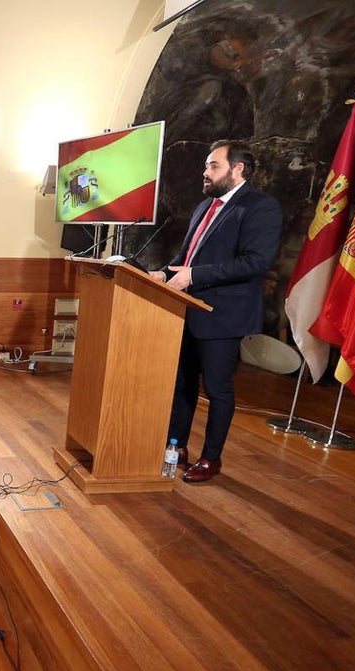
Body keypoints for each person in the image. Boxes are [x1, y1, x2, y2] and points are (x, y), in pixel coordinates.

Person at [150, 140, 283, 483]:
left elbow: (256, 262)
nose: (205, 173)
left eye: (213, 166)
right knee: (182, 383)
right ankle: (175, 446)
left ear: (238, 169)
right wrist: (163, 273)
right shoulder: (203, 207)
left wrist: (193, 276)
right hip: (189, 309)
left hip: (223, 314)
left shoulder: (260, 207)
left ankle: (212, 458)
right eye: (207, 167)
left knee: (217, 388)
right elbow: (187, 255)